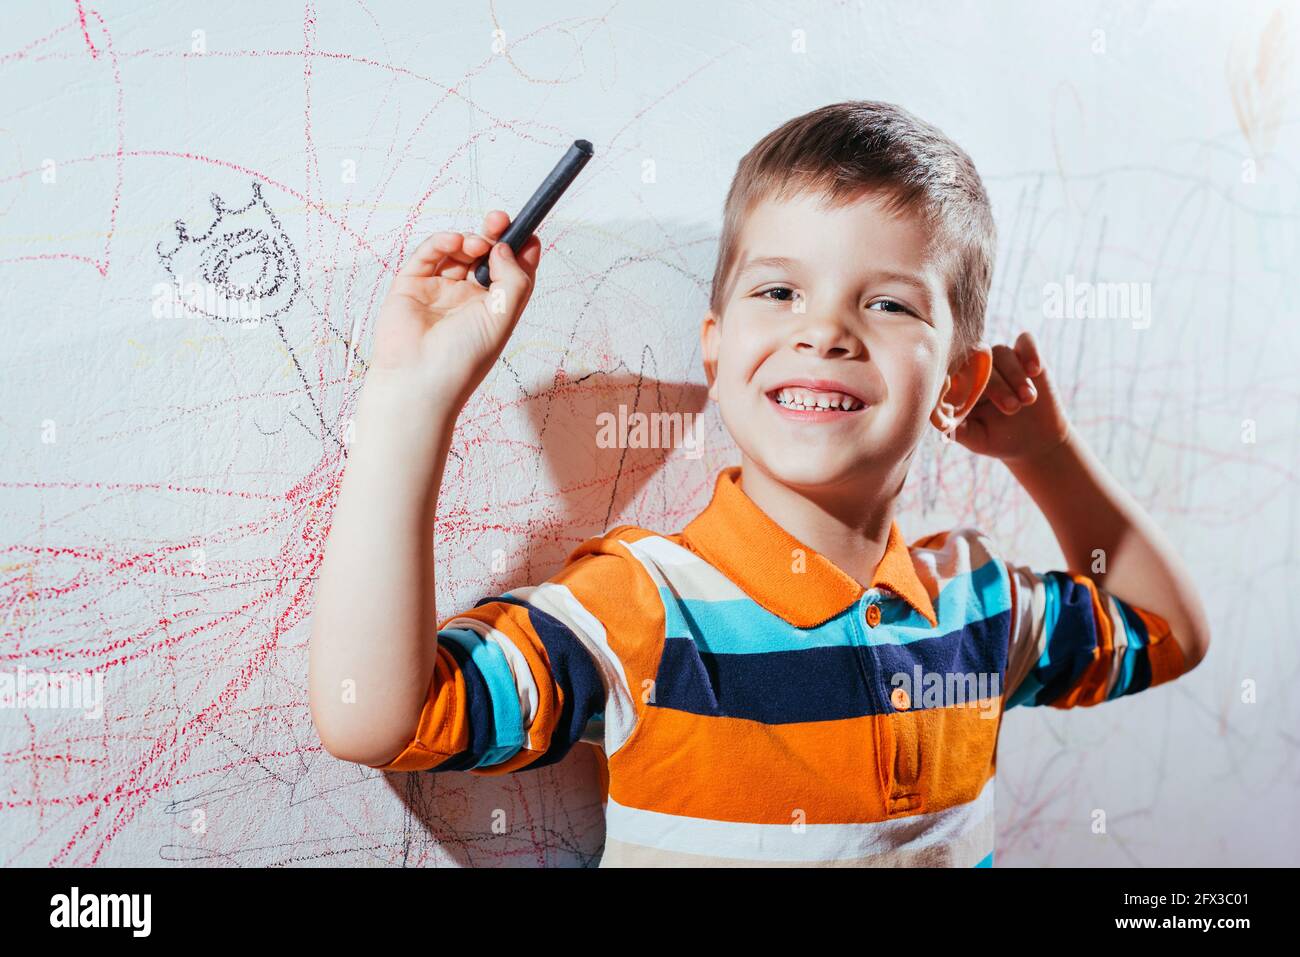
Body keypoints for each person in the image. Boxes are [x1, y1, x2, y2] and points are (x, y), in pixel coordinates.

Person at [308, 100, 1210, 867]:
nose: (825, 331)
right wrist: (410, 399)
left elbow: (1166, 634)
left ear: (958, 386)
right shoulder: (642, 609)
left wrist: (1043, 451)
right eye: (779, 292)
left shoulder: (978, 608)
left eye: (887, 302)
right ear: (715, 344)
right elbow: (374, 718)